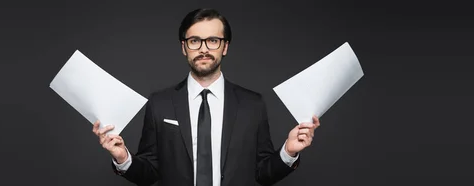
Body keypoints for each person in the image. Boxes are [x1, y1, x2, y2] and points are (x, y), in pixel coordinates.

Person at [92, 8, 321, 186]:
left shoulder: (252, 104)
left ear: (225, 47)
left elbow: (263, 175)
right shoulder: (159, 104)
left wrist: (288, 151)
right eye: (194, 41)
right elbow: (149, 174)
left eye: (213, 40)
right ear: (184, 47)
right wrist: (123, 158)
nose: (203, 49)